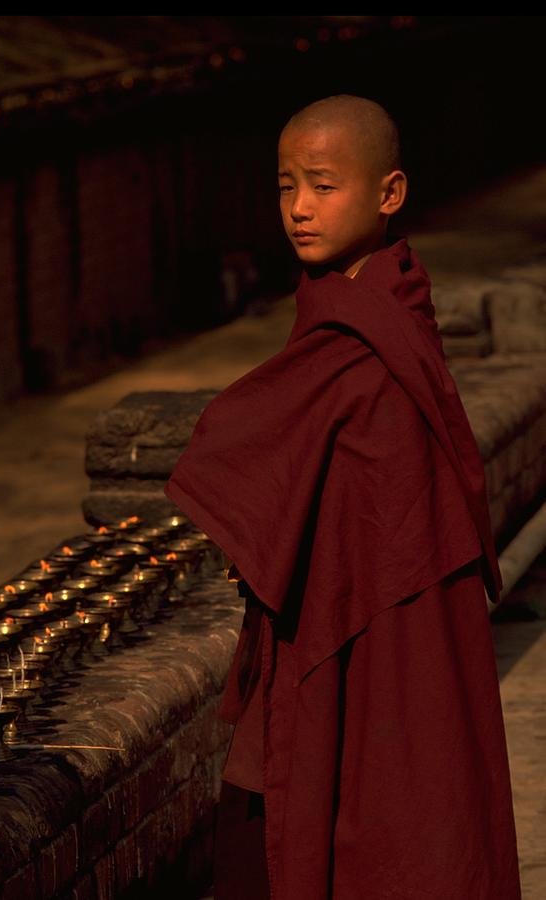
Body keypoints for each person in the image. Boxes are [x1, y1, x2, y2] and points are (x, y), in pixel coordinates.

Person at [164, 94, 522, 899]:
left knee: (400, 807)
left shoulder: (382, 320)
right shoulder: (355, 307)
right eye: (286, 185)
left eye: (323, 185)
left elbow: (242, 435)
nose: (298, 209)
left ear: (389, 194)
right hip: (341, 602)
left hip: (398, 615)